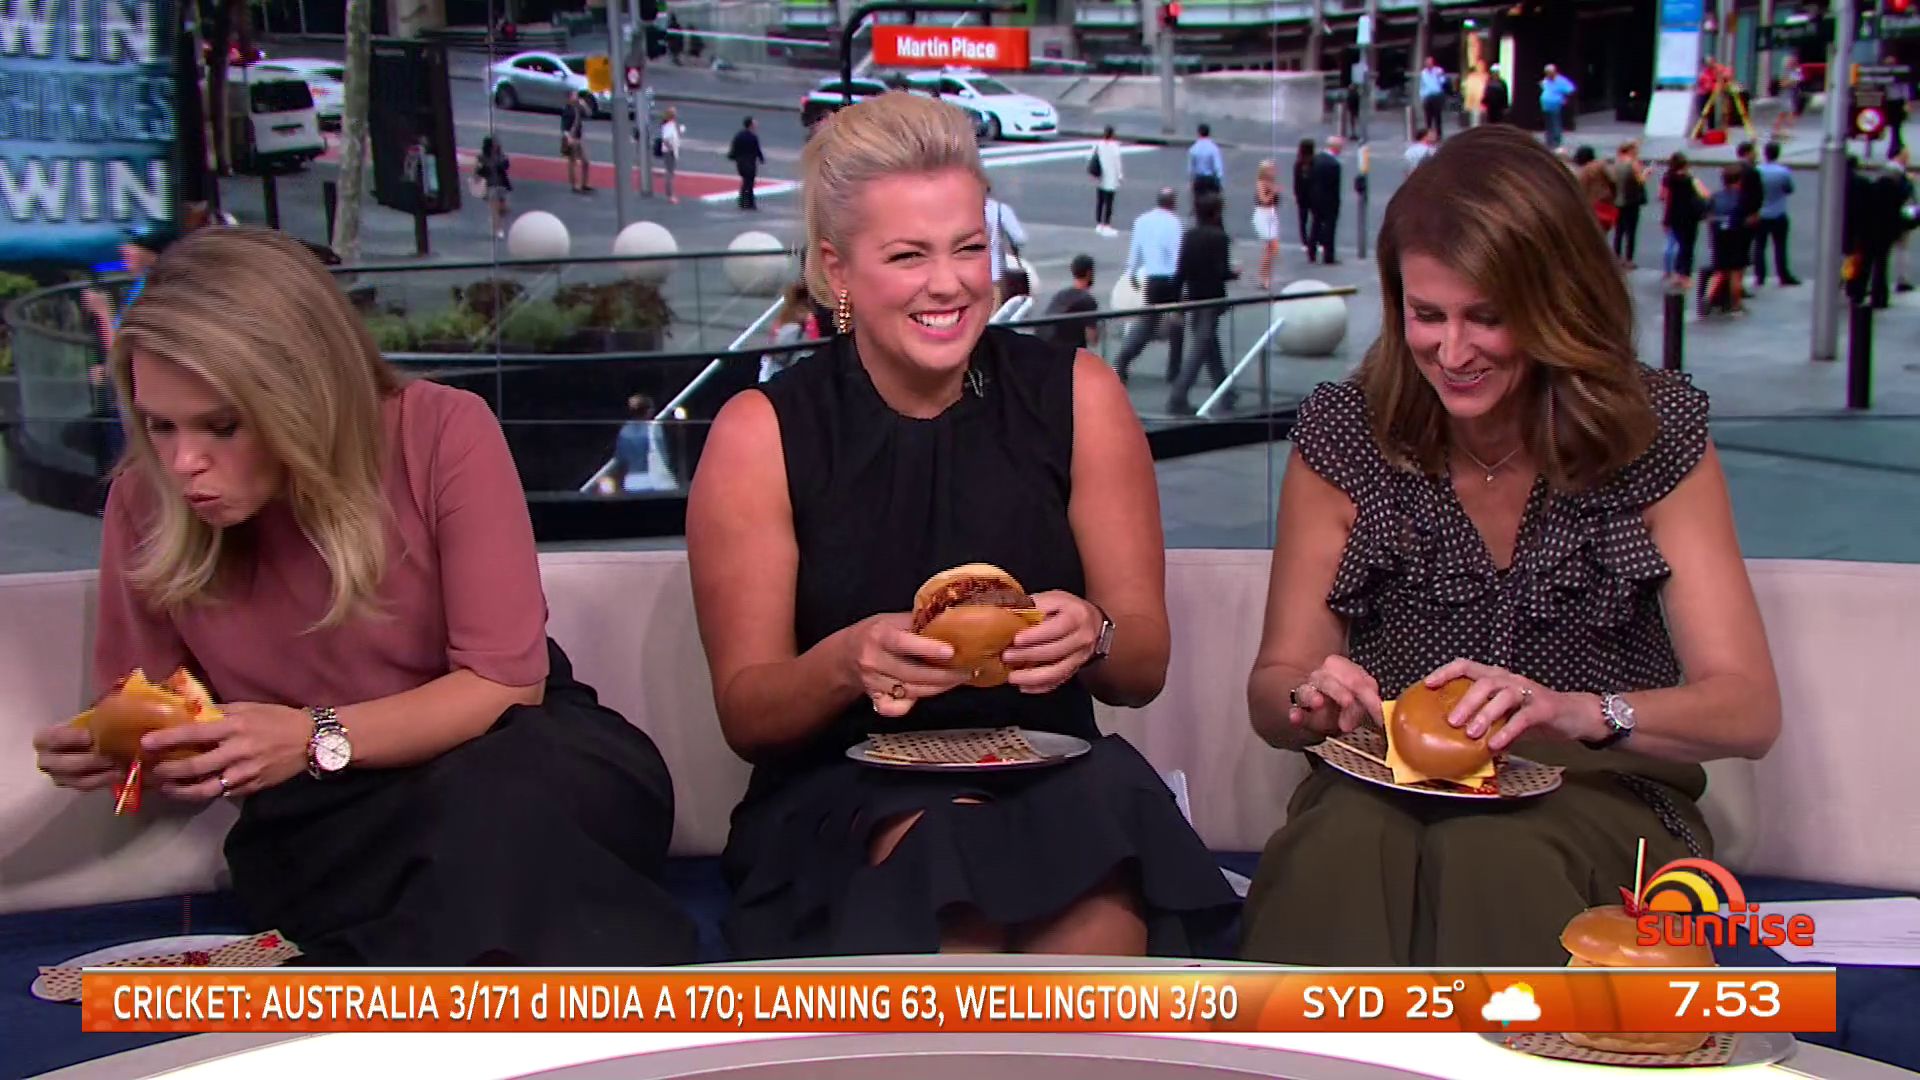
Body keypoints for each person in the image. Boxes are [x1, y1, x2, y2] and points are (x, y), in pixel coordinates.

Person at [31, 228, 696, 967]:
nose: (184, 462)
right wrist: (123, 751)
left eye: (222, 425)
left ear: (302, 396)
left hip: (520, 753)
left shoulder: (440, 429)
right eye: (160, 425)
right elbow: (164, 716)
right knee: (439, 867)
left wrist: (310, 736)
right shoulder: (142, 500)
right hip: (330, 820)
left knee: (491, 808)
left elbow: (506, 684)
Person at [686, 92, 1238, 960]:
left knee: (1094, 939)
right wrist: (847, 661)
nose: (948, 284)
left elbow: (1142, 668)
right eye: (908, 255)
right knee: (956, 899)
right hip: (845, 796)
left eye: (969, 248)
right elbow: (747, 715)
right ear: (837, 270)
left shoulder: (1080, 396)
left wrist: (1093, 633)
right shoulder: (762, 433)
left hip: (1055, 776)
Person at [1238, 125, 1780, 967]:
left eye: (1487, 318)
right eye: (1427, 316)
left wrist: (1578, 712)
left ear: (1555, 303)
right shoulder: (1346, 434)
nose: (1452, 353)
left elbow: (1746, 709)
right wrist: (1311, 699)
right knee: (1337, 848)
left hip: (1600, 791)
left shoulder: (1653, 431)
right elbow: (1273, 691)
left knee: (1493, 853)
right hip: (1388, 784)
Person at [1168, 192, 1236, 417]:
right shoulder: (1219, 238)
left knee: (1209, 345)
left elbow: (1180, 271)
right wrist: (1233, 273)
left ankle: (1225, 389)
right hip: (1212, 298)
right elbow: (1221, 271)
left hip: (1194, 296)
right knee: (1201, 347)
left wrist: (1176, 300)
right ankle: (1178, 395)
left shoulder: (1189, 236)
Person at [1110, 187, 1185, 385]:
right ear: (1173, 203)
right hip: (1171, 279)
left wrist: (1132, 273)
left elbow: (1135, 250)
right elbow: (1177, 253)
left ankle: (1123, 359)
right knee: (1177, 324)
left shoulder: (1142, 221)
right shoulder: (1174, 223)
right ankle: (1174, 370)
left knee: (1147, 323)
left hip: (1153, 279)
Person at [1042, 254, 1101, 352]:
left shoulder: (1060, 295)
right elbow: (1093, 340)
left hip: (1048, 350)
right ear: (1089, 273)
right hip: (1070, 354)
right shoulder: (1087, 300)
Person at [1307, 136, 1344, 265]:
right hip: (1329, 200)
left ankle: (1311, 252)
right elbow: (1335, 187)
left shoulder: (1316, 159)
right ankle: (1328, 256)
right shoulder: (1334, 164)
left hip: (1315, 199)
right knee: (1329, 228)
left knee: (1315, 225)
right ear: (1335, 148)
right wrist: (1337, 203)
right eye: (1340, 147)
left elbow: (1309, 180)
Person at [474, 136, 512, 239]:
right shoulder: (482, 157)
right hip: (490, 186)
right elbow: (478, 171)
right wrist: (477, 178)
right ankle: (498, 229)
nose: (496, 145)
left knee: (503, 209)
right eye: (494, 144)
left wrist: (504, 161)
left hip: (501, 185)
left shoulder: (501, 156)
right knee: (495, 209)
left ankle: (496, 221)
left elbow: (506, 166)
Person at [1252, 160, 1281, 290]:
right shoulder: (1261, 183)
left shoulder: (1271, 183)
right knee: (1271, 246)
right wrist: (1273, 192)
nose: (1274, 171)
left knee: (1271, 248)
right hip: (1263, 215)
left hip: (1271, 214)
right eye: (1271, 169)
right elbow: (1263, 200)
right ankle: (1263, 277)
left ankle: (1266, 276)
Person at [1092, 125, 1124, 236]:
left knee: (1100, 201)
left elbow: (1092, 158)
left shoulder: (1098, 145)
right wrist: (1120, 175)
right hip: (1111, 178)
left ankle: (1099, 224)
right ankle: (1107, 224)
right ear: (1112, 135)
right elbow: (1117, 163)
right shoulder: (1115, 147)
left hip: (1100, 178)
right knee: (1109, 202)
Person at [729, 116, 765, 210]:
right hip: (750, 163)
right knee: (749, 183)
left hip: (740, 163)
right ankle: (748, 203)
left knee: (746, 182)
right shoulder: (753, 137)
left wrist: (733, 157)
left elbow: (734, 149)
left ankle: (744, 203)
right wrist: (761, 159)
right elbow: (757, 150)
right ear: (751, 125)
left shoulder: (739, 135)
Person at [1540, 65, 1575, 150]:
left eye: (1549, 73)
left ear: (1554, 72)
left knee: (1556, 123)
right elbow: (1544, 87)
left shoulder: (1561, 80)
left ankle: (1556, 143)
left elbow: (1570, 89)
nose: (1548, 74)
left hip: (1556, 105)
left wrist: (1564, 98)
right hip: (1546, 106)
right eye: (1547, 73)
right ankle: (1549, 142)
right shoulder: (1546, 80)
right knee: (1548, 125)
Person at [1292, 138, 1316, 261]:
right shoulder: (1314, 163)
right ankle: (1312, 241)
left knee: (1303, 220)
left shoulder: (1298, 164)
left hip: (1302, 196)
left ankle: (1305, 241)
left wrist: (1297, 195)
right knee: (1314, 219)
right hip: (1312, 196)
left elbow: (1296, 182)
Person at [657, 106, 685, 204]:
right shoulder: (668, 126)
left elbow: (674, 135)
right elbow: (665, 139)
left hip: (671, 151)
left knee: (670, 173)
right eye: (674, 113)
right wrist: (671, 149)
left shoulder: (671, 124)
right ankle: (670, 195)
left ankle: (670, 194)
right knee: (670, 174)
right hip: (669, 152)